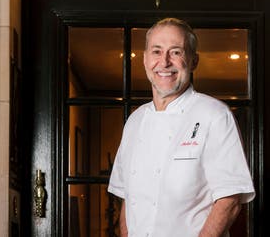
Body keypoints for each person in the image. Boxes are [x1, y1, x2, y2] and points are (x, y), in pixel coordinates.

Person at [108, 18, 255, 237]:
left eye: (176, 52)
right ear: (145, 59)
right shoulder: (134, 122)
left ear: (193, 61)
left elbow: (229, 200)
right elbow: (128, 199)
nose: (164, 62)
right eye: (156, 51)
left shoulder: (214, 115)